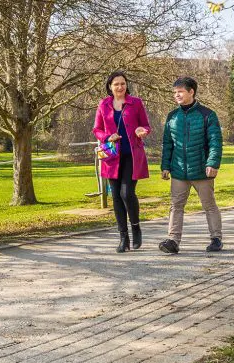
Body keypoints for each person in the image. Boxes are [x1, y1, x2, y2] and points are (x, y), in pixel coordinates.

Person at [158, 76, 223, 254]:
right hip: (179, 171)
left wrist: (212, 163)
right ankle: (172, 241)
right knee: (176, 206)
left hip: (202, 170)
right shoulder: (172, 116)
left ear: (191, 92)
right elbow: (168, 144)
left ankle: (216, 239)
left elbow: (215, 142)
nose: (176, 95)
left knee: (209, 205)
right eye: (175, 92)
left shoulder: (207, 114)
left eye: (180, 91)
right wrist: (165, 166)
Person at [93, 71, 151, 252]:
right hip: (112, 157)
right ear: (110, 86)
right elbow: (97, 129)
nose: (120, 87)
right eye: (116, 84)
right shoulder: (103, 104)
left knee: (127, 193)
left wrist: (142, 131)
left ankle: (136, 228)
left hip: (132, 155)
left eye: (123, 83)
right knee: (116, 196)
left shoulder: (136, 103)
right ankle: (123, 238)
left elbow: (146, 126)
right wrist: (107, 137)